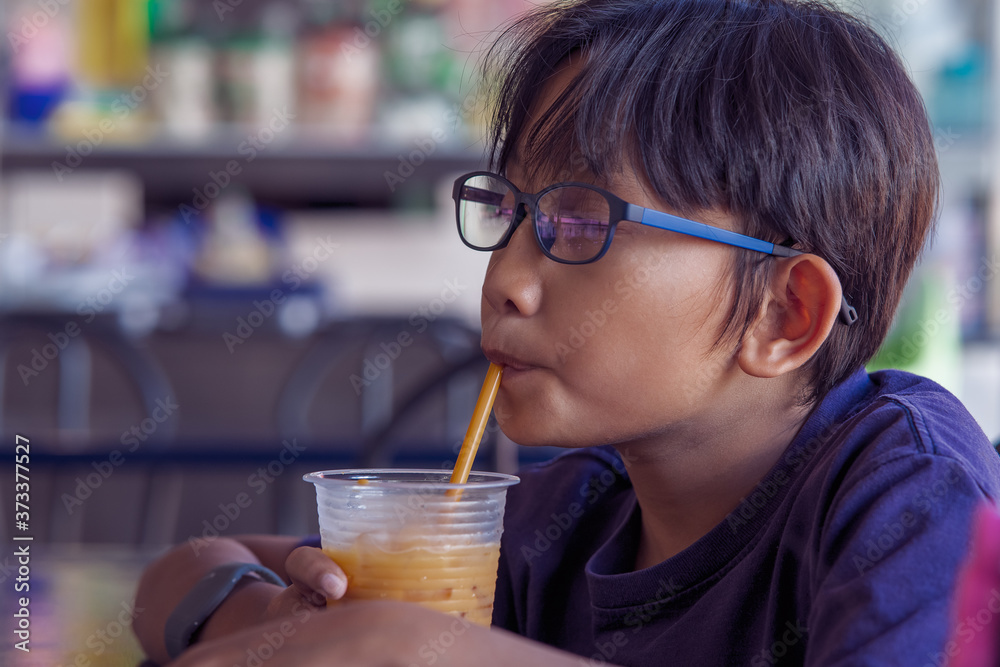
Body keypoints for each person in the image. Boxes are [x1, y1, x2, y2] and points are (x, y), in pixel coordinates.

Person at [134, 0, 1000, 665]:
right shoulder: (567, 516)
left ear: (784, 314)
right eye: (510, 211)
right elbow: (179, 570)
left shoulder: (905, 489)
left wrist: (419, 648)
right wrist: (267, 617)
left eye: (582, 224)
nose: (505, 280)